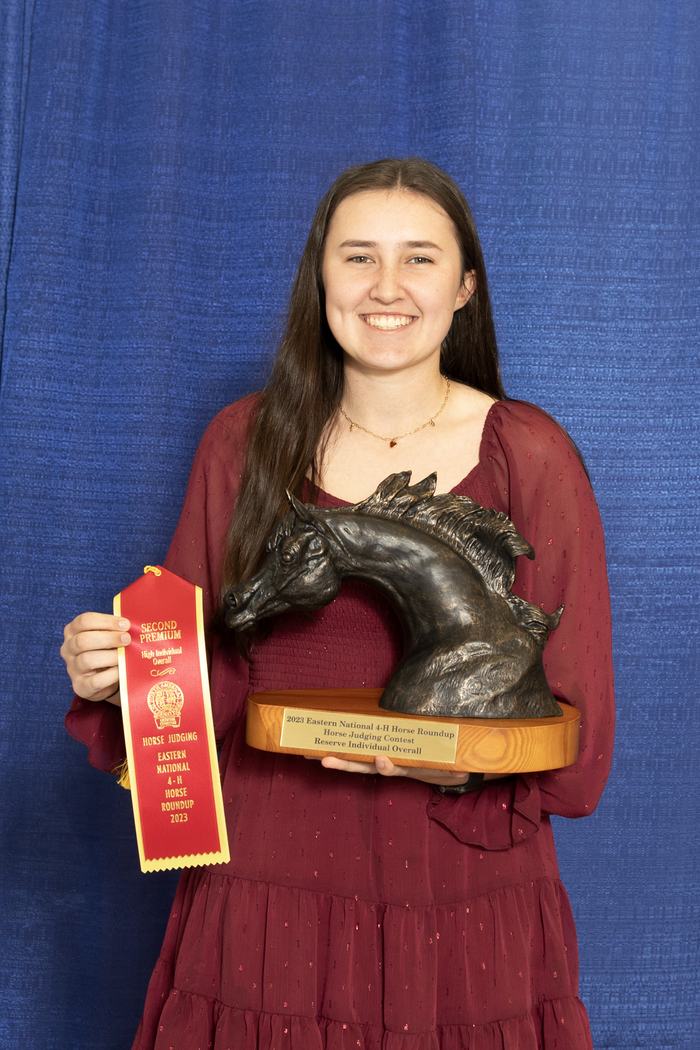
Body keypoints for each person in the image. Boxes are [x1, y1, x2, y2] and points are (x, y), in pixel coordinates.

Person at [61, 157, 615, 1049]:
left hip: (457, 884)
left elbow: (578, 740)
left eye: (420, 259)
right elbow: (201, 676)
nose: (387, 287)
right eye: (358, 257)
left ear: (466, 286)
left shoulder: (532, 456)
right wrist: (116, 678)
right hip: (266, 883)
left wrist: (463, 765)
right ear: (320, 278)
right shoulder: (242, 442)